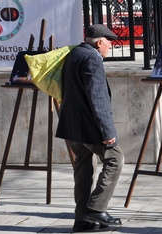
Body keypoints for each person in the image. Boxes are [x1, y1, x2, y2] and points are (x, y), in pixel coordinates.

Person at [56, 24, 124, 232]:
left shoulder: (75, 53)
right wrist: (107, 132)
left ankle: (82, 220)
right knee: (115, 159)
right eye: (109, 42)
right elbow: (98, 98)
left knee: (84, 169)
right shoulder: (92, 59)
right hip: (88, 126)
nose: (111, 46)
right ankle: (96, 208)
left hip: (72, 125)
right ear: (100, 42)